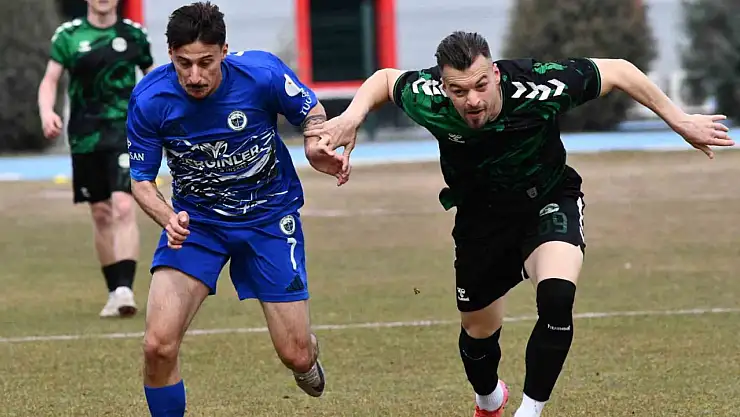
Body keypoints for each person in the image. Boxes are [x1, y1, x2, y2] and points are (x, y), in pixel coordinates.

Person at [304, 31, 734, 417]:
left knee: (557, 297)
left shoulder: (538, 86)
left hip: (547, 199)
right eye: (459, 90)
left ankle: (530, 410)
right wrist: (352, 117)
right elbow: (385, 80)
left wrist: (680, 121)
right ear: (443, 86)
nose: (472, 100)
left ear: (494, 73)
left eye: (481, 85)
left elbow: (619, 70)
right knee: (478, 334)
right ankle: (490, 399)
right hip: (480, 220)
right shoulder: (428, 96)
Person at [126, 2, 344, 415]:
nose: (194, 76)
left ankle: (306, 354)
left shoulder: (262, 73)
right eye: (183, 63)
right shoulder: (151, 99)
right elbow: (141, 182)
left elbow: (311, 113)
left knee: (296, 354)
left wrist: (316, 144)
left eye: (205, 62)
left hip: (269, 219)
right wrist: (168, 218)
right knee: (158, 345)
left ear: (224, 51)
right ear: (169, 53)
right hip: (196, 225)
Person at [37, 0, 154, 318]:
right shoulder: (68, 35)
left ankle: (126, 289)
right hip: (85, 136)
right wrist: (47, 112)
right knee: (101, 212)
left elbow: (153, 77)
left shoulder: (134, 35)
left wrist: (162, 114)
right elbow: (50, 80)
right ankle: (114, 290)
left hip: (125, 132)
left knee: (124, 205)